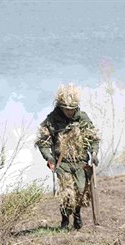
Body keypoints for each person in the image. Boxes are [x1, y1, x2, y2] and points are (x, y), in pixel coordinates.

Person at [36, 83, 100, 230]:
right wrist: (49, 157)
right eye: (66, 109)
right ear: (60, 106)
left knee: (81, 191)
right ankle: (65, 221)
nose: (69, 112)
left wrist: (94, 153)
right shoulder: (52, 119)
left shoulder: (82, 118)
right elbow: (43, 141)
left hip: (80, 162)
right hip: (62, 163)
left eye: (72, 109)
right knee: (66, 193)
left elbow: (93, 138)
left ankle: (77, 216)